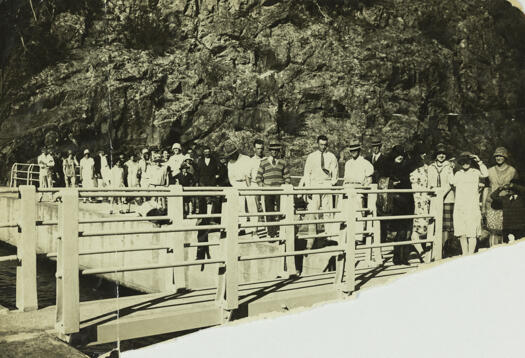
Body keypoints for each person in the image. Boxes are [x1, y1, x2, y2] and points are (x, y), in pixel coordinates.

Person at [450, 152, 488, 256]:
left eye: (467, 161)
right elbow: (451, 181)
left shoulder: (475, 172)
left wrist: (479, 161)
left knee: (472, 232)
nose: (465, 164)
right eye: (463, 162)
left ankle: (470, 255)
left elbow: (486, 174)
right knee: (462, 232)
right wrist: (450, 168)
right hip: (460, 206)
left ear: (470, 162)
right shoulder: (458, 173)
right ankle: (464, 254)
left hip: (472, 206)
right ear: (460, 163)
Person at [302, 135, 339, 241]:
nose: (323, 147)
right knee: (313, 211)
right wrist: (308, 188)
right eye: (321, 144)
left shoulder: (331, 157)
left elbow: (335, 173)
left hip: (326, 185)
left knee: (328, 211)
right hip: (315, 185)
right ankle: (312, 235)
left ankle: (329, 235)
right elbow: (307, 173)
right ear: (317, 144)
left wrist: (332, 184)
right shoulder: (311, 156)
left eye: (325, 145)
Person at [385, 145, 415, 265]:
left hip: (407, 201)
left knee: (406, 230)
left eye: (401, 155)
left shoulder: (406, 166)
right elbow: (385, 181)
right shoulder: (389, 167)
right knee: (398, 230)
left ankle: (403, 257)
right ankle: (397, 256)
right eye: (397, 155)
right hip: (396, 201)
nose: (400, 157)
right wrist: (392, 183)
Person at [256, 141, 291, 238]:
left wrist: (285, 186)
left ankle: (282, 233)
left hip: (280, 190)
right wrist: (262, 186)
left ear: (279, 151)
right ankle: (271, 233)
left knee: (281, 211)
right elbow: (258, 178)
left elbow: (287, 177)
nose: (274, 152)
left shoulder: (283, 162)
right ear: (269, 151)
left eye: (276, 150)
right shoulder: (263, 162)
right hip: (268, 190)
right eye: (272, 150)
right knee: (269, 211)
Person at [484, 147, 518, 247]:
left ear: (505, 157)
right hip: (491, 203)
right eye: (497, 156)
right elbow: (486, 188)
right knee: (493, 231)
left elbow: (516, 189)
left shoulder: (512, 171)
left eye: (501, 155)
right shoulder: (489, 171)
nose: (499, 157)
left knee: (505, 230)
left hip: (506, 204)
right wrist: (483, 206)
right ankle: (492, 253)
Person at [427, 143, 455, 251]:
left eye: (443, 153)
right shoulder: (431, 167)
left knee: (446, 226)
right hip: (434, 198)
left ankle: (444, 247)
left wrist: (442, 194)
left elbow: (451, 182)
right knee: (434, 223)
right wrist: (433, 195)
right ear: (436, 155)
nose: (441, 156)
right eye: (439, 153)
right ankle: (434, 248)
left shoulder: (449, 166)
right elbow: (430, 183)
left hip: (447, 198)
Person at [225, 141, 254, 231]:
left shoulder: (246, 159)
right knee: (240, 206)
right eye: (230, 154)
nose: (232, 156)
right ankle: (243, 227)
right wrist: (236, 185)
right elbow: (231, 178)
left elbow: (249, 173)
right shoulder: (230, 163)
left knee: (251, 205)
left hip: (248, 183)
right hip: (236, 185)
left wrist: (248, 185)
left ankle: (253, 228)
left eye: (233, 153)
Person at [409, 143, 431, 259]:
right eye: (421, 153)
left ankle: (426, 252)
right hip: (414, 200)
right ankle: (422, 253)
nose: (424, 155)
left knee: (426, 226)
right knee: (416, 228)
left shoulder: (428, 168)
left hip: (425, 200)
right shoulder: (410, 167)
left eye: (424, 153)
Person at [195, 146, 221, 214]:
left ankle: (213, 218)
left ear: (210, 152)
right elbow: (197, 172)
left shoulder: (214, 160)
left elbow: (219, 170)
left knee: (213, 199)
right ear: (203, 153)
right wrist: (197, 182)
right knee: (202, 200)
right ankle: (202, 218)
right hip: (202, 182)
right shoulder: (200, 161)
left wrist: (217, 177)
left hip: (212, 182)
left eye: (208, 152)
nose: (207, 153)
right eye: (205, 152)